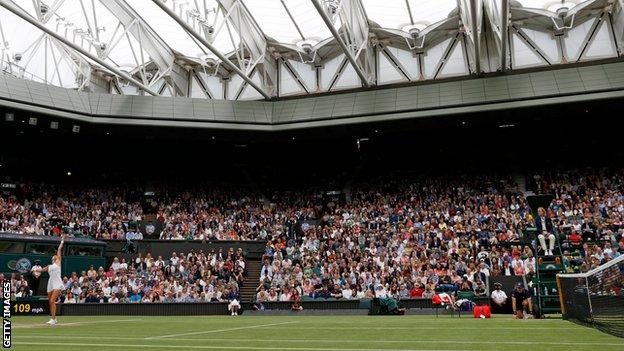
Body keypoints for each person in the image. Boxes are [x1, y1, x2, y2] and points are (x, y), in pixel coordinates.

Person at [37, 235, 65, 325]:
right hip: (50, 283)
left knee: (52, 300)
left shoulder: (58, 262)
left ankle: (53, 319)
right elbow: (40, 270)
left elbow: (59, 249)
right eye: (54, 256)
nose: (55, 256)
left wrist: (62, 241)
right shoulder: (49, 266)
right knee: (50, 302)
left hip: (57, 284)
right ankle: (54, 319)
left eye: (56, 256)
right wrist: (35, 270)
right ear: (52, 259)